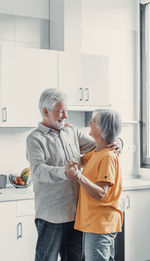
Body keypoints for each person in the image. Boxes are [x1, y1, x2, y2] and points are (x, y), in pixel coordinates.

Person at [26, 88, 123, 261]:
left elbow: (100, 143)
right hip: (51, 215)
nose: (65, 116)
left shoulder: (71, 132)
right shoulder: (35, 139)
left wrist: (118, 142)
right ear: (45, 112)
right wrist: (64, 172)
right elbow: (38, 170)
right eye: (60, 112)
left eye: (66, 111)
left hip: (77, 215)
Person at [65, 109, 123, 261]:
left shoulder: (107, 157)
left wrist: (79, 177)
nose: (90, 124)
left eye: (94, 122)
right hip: (97, 223)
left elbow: (100, 193)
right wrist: (68, 134)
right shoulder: (98, 152)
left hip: (100, 224)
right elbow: (81, 161)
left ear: (102, 129)